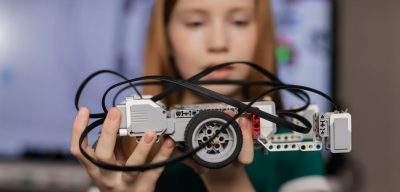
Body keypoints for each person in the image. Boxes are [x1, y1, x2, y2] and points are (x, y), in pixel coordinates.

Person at [70, 0, 330, 191]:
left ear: (260, 34)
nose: (218, 42)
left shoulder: (296, 139)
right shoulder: (127, 152)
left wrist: (227, 181)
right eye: (195, 22)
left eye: (239, 21)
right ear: (166, 38)